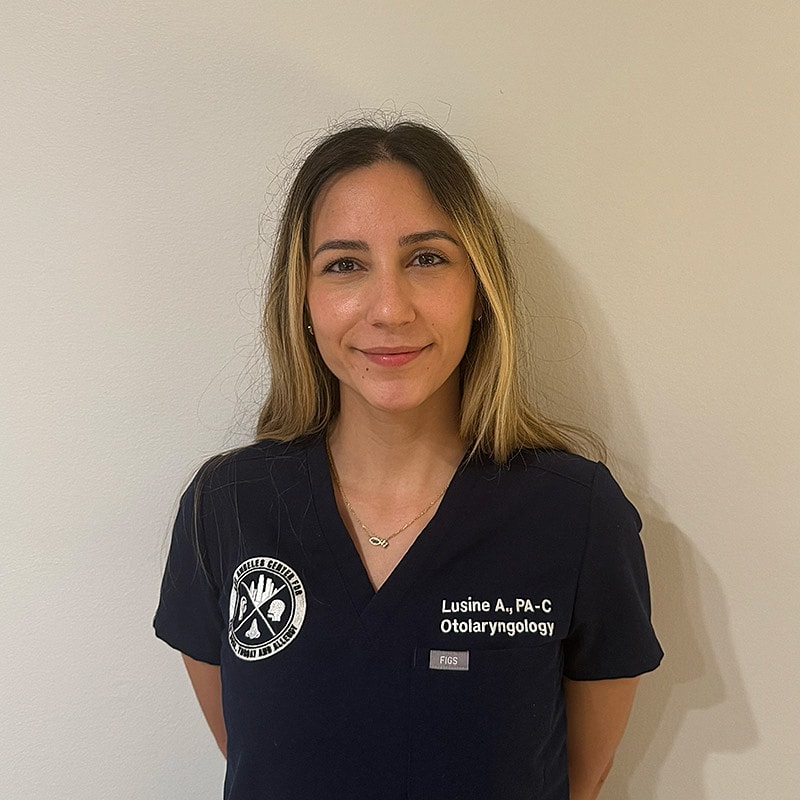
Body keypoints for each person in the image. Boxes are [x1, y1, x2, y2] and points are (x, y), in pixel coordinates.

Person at [154, 120, 663, 800]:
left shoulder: (576, 515)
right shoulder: (226, 507)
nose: (390, 309)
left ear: (480, 291)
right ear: (303, 302)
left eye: (427, 258)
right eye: (344, 265)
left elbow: (579, 777)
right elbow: (254, 758)